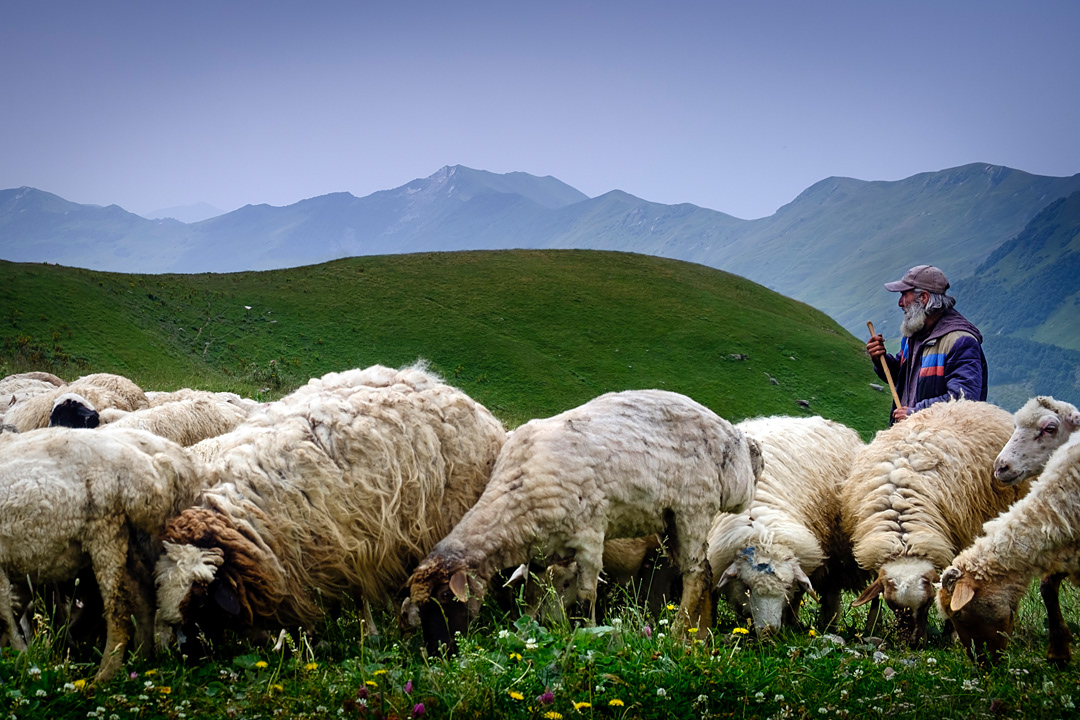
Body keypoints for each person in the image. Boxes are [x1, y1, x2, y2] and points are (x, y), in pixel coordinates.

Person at [866, 264, 988, 424]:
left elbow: (964, 400)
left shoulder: (960, 341)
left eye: (904, 295)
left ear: (923, 298)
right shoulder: (915, 334)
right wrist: (880, 359)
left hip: (943, 443)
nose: (900, 303)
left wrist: (916, 413)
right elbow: (901, 377)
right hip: (915, 438)